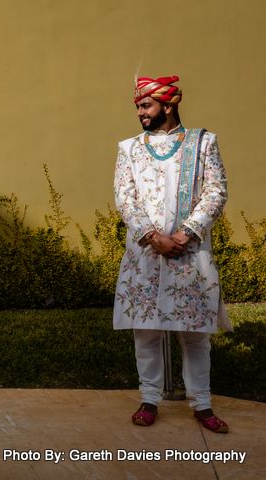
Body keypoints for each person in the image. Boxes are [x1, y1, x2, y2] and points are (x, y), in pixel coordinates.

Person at [114, 76, 231, 433]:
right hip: (145, 253)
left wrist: (185, 233)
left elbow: (216, 191)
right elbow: (125, 197)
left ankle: (202, 404)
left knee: (195, 333)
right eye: (138, 107)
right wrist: (153, 236)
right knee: (145, 330)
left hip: (189, 252)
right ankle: (149, 399)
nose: (140, 113)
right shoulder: (129, 148)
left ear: (168, 105)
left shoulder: (203, 143)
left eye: (146, 106)